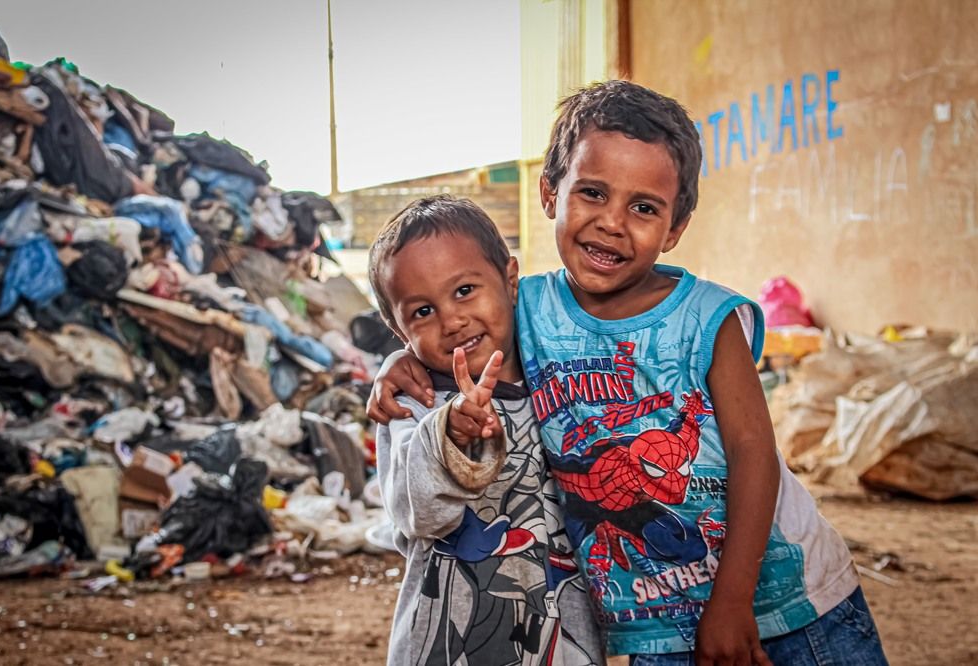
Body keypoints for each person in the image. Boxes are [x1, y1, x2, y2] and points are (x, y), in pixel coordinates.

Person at [368, 81, 888, 666]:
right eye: (592, 193)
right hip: (653, 624)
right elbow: (454, 322)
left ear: (674, 229)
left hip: (788, 604)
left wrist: (732, 600)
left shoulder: (705, 318)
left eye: (643, 207)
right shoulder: (527, 307)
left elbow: (753, 452)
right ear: (549, 193)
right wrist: (401, 359)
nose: (612, 223)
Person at [368, 195, 605, 665]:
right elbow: (420, 514)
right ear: (398, 331)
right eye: (421, 312)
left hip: (563, 643)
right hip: (447, 648)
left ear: (510, 280)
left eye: (463, 291)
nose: (452, 321)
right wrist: (448, 434)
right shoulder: (414, 405)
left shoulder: (563, 376)